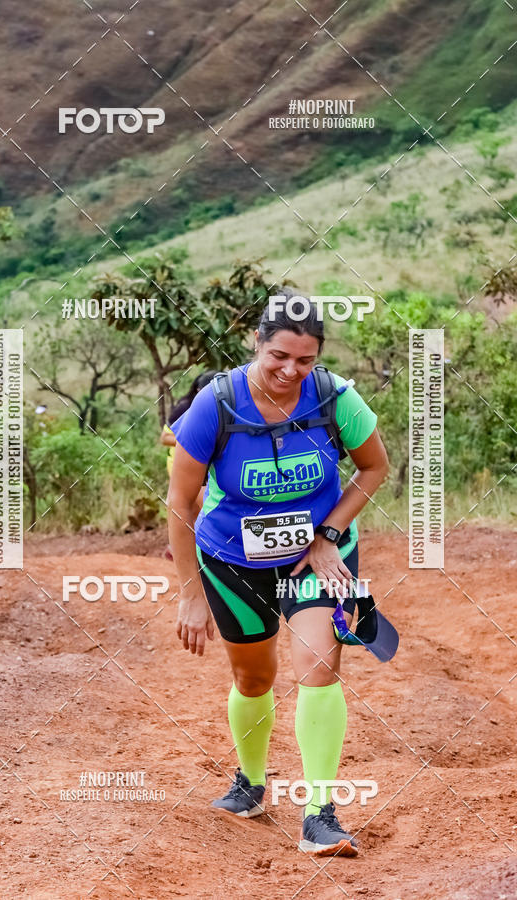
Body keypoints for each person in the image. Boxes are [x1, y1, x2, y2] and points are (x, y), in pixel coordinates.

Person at [167, 294, 389, 856]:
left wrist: (328, 535)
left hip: (319, 559)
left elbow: (374, 466)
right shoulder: (213, 406)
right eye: (279, 357)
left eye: (304, 361)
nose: (291, 371)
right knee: (254, 679)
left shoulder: (336, 398)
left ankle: (320, 813)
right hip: (232, 560)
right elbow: (180, 501)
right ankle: (252, 783)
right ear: (257, 345)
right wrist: (191, 596)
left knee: (317, 666)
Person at [160, 371, 217, 558]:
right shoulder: (185, 407)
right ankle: (202, 549)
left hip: (208, 465)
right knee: (202, 504)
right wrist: (195, 439)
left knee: (192, 508)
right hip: (180, 463)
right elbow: (165, 437)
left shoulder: (223, 406)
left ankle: (177, 548)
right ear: (199, 390)